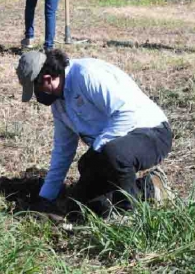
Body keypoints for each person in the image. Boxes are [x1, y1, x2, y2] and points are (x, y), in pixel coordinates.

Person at [16, 49, 173, 218]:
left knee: (111, 154)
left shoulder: (87, 75)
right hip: (112, 148)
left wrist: (97, 150)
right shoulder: (59, 104)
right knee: (80, 205)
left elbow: (127, 114)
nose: (37, 97)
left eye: (36, 90)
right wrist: (46, 197)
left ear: (47, 79)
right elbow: (63, 151)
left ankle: (128, 216)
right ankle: (150, 188)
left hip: (152, 134)